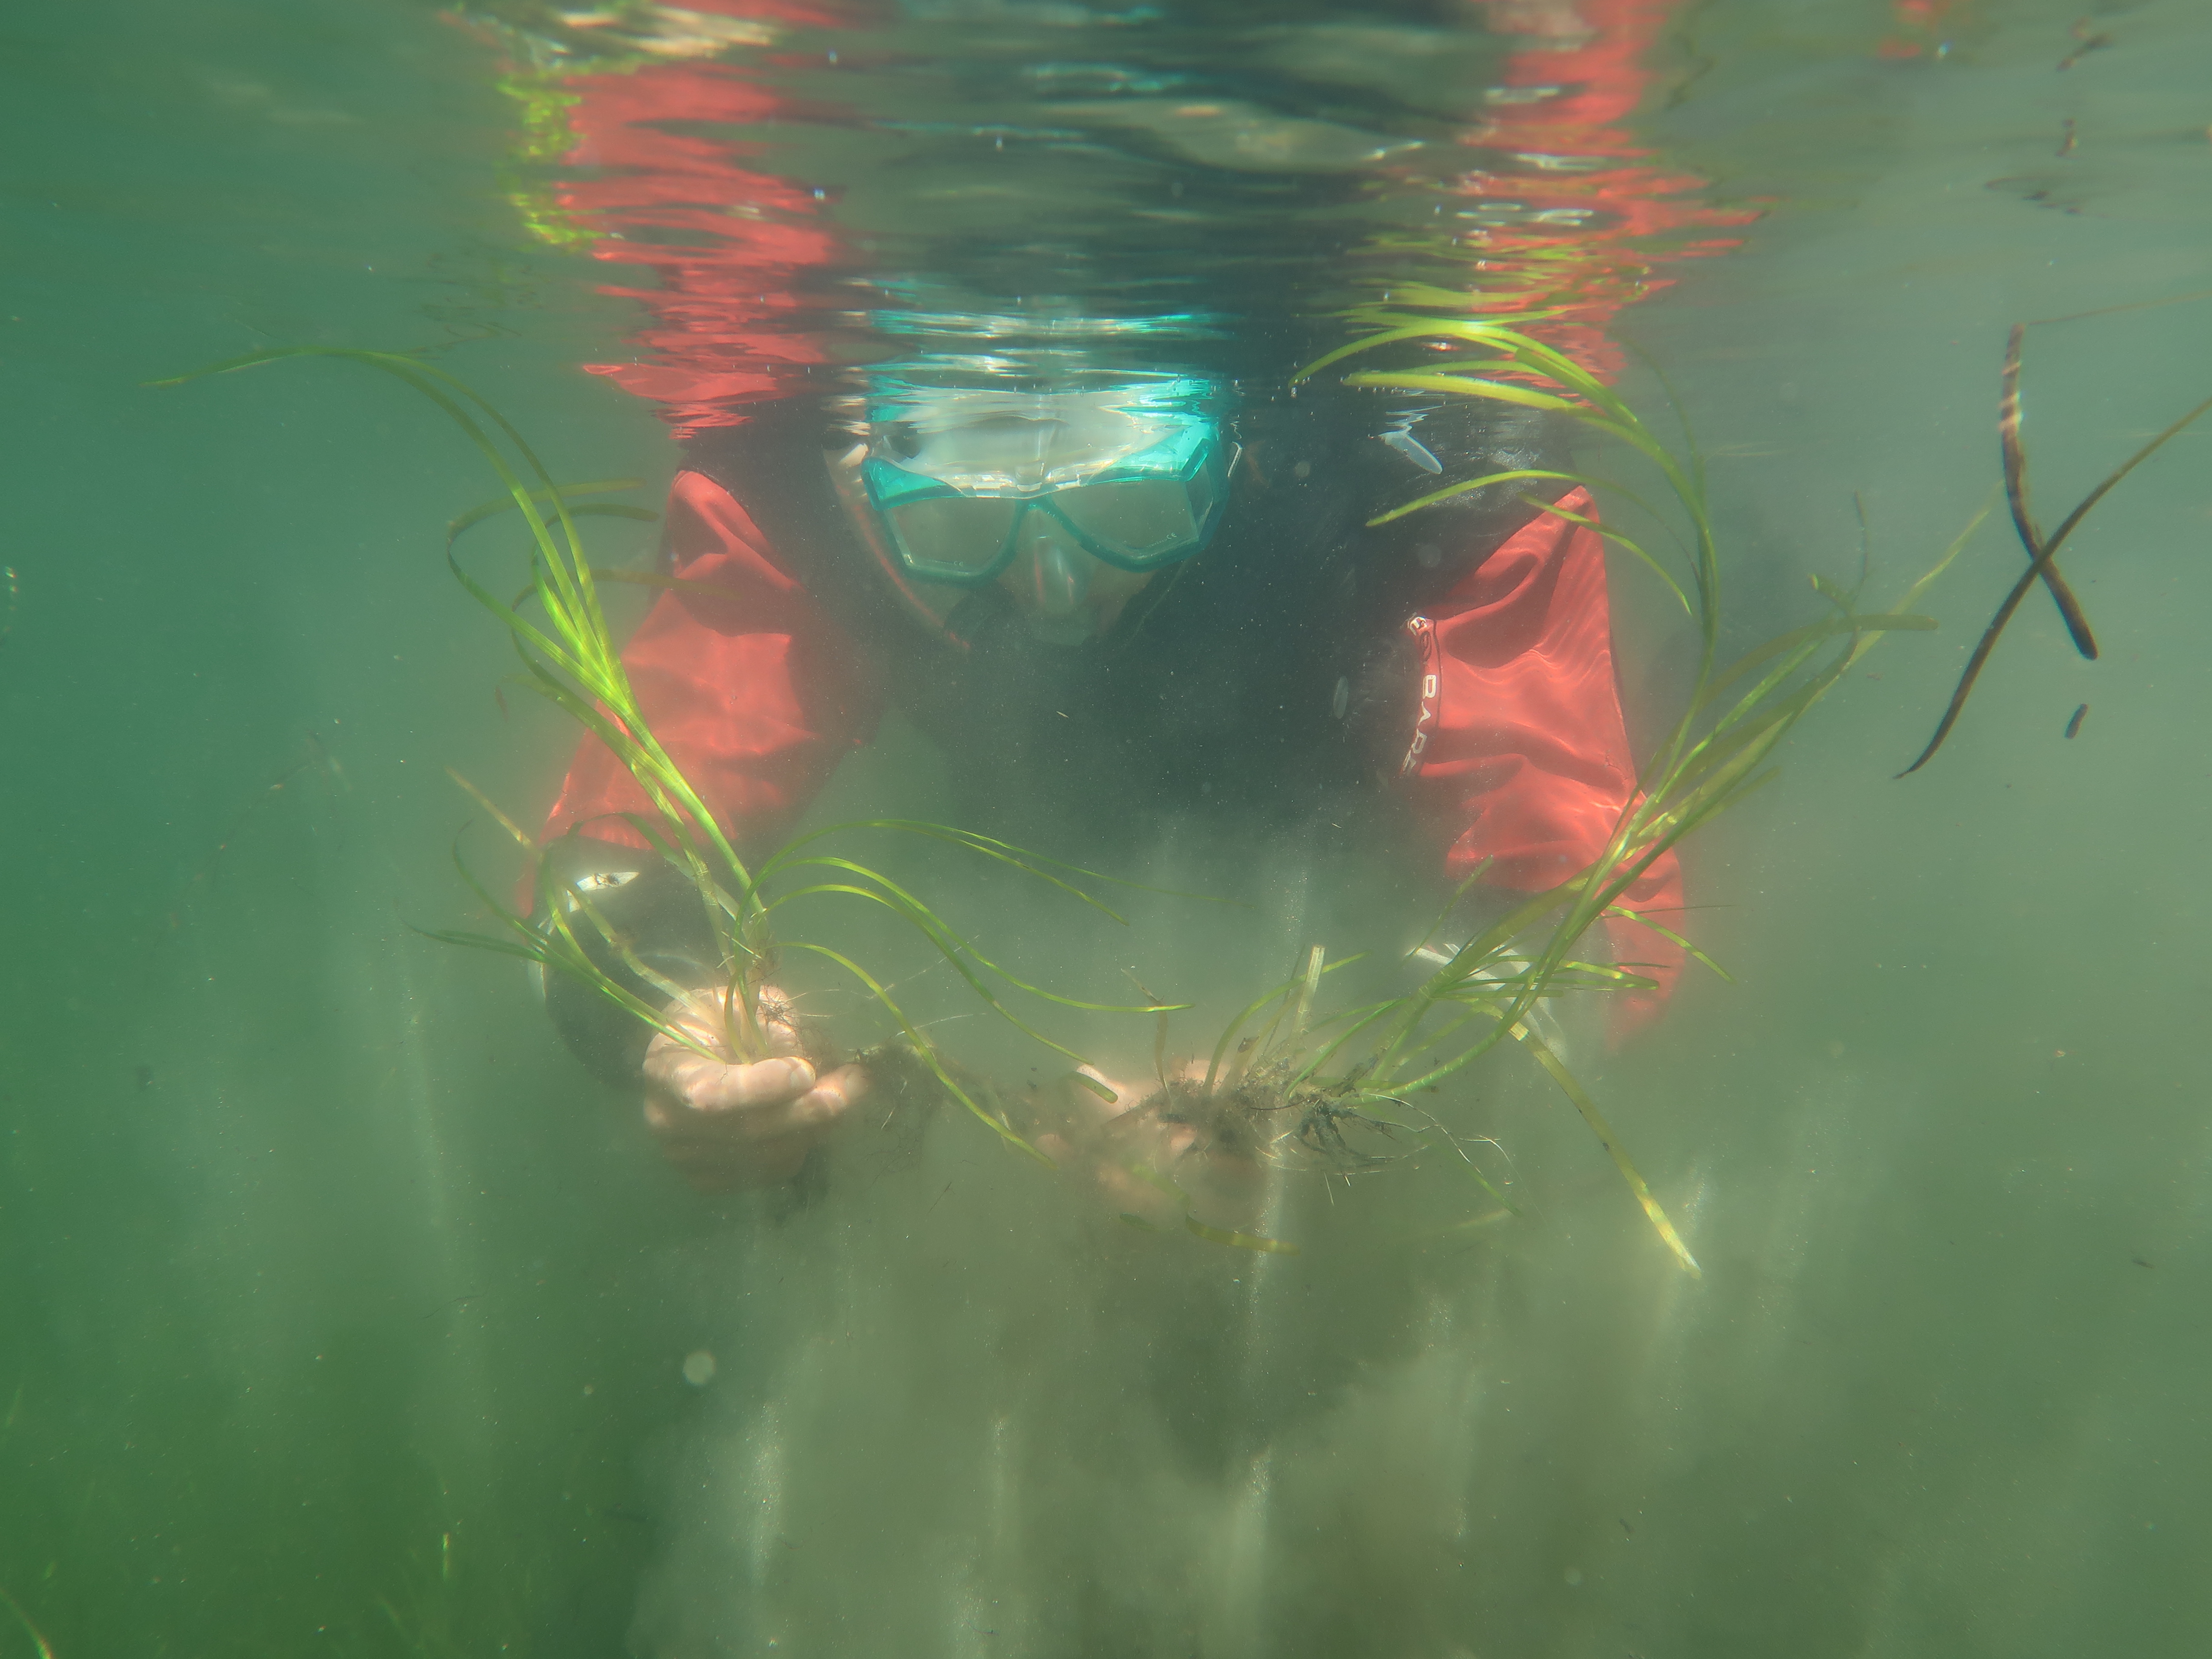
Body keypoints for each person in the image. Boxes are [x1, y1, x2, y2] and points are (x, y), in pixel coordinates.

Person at [476, 0, 1734, 1198]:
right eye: (961, 527)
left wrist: (1345, 1110)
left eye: (1130, 507)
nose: (1056, 587)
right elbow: (618, 839)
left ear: (1236, 449)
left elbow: (1585, 919)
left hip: (1369, 844)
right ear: (863, 479)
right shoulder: (795, 511)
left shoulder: (1421, 489)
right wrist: (671, 1023)